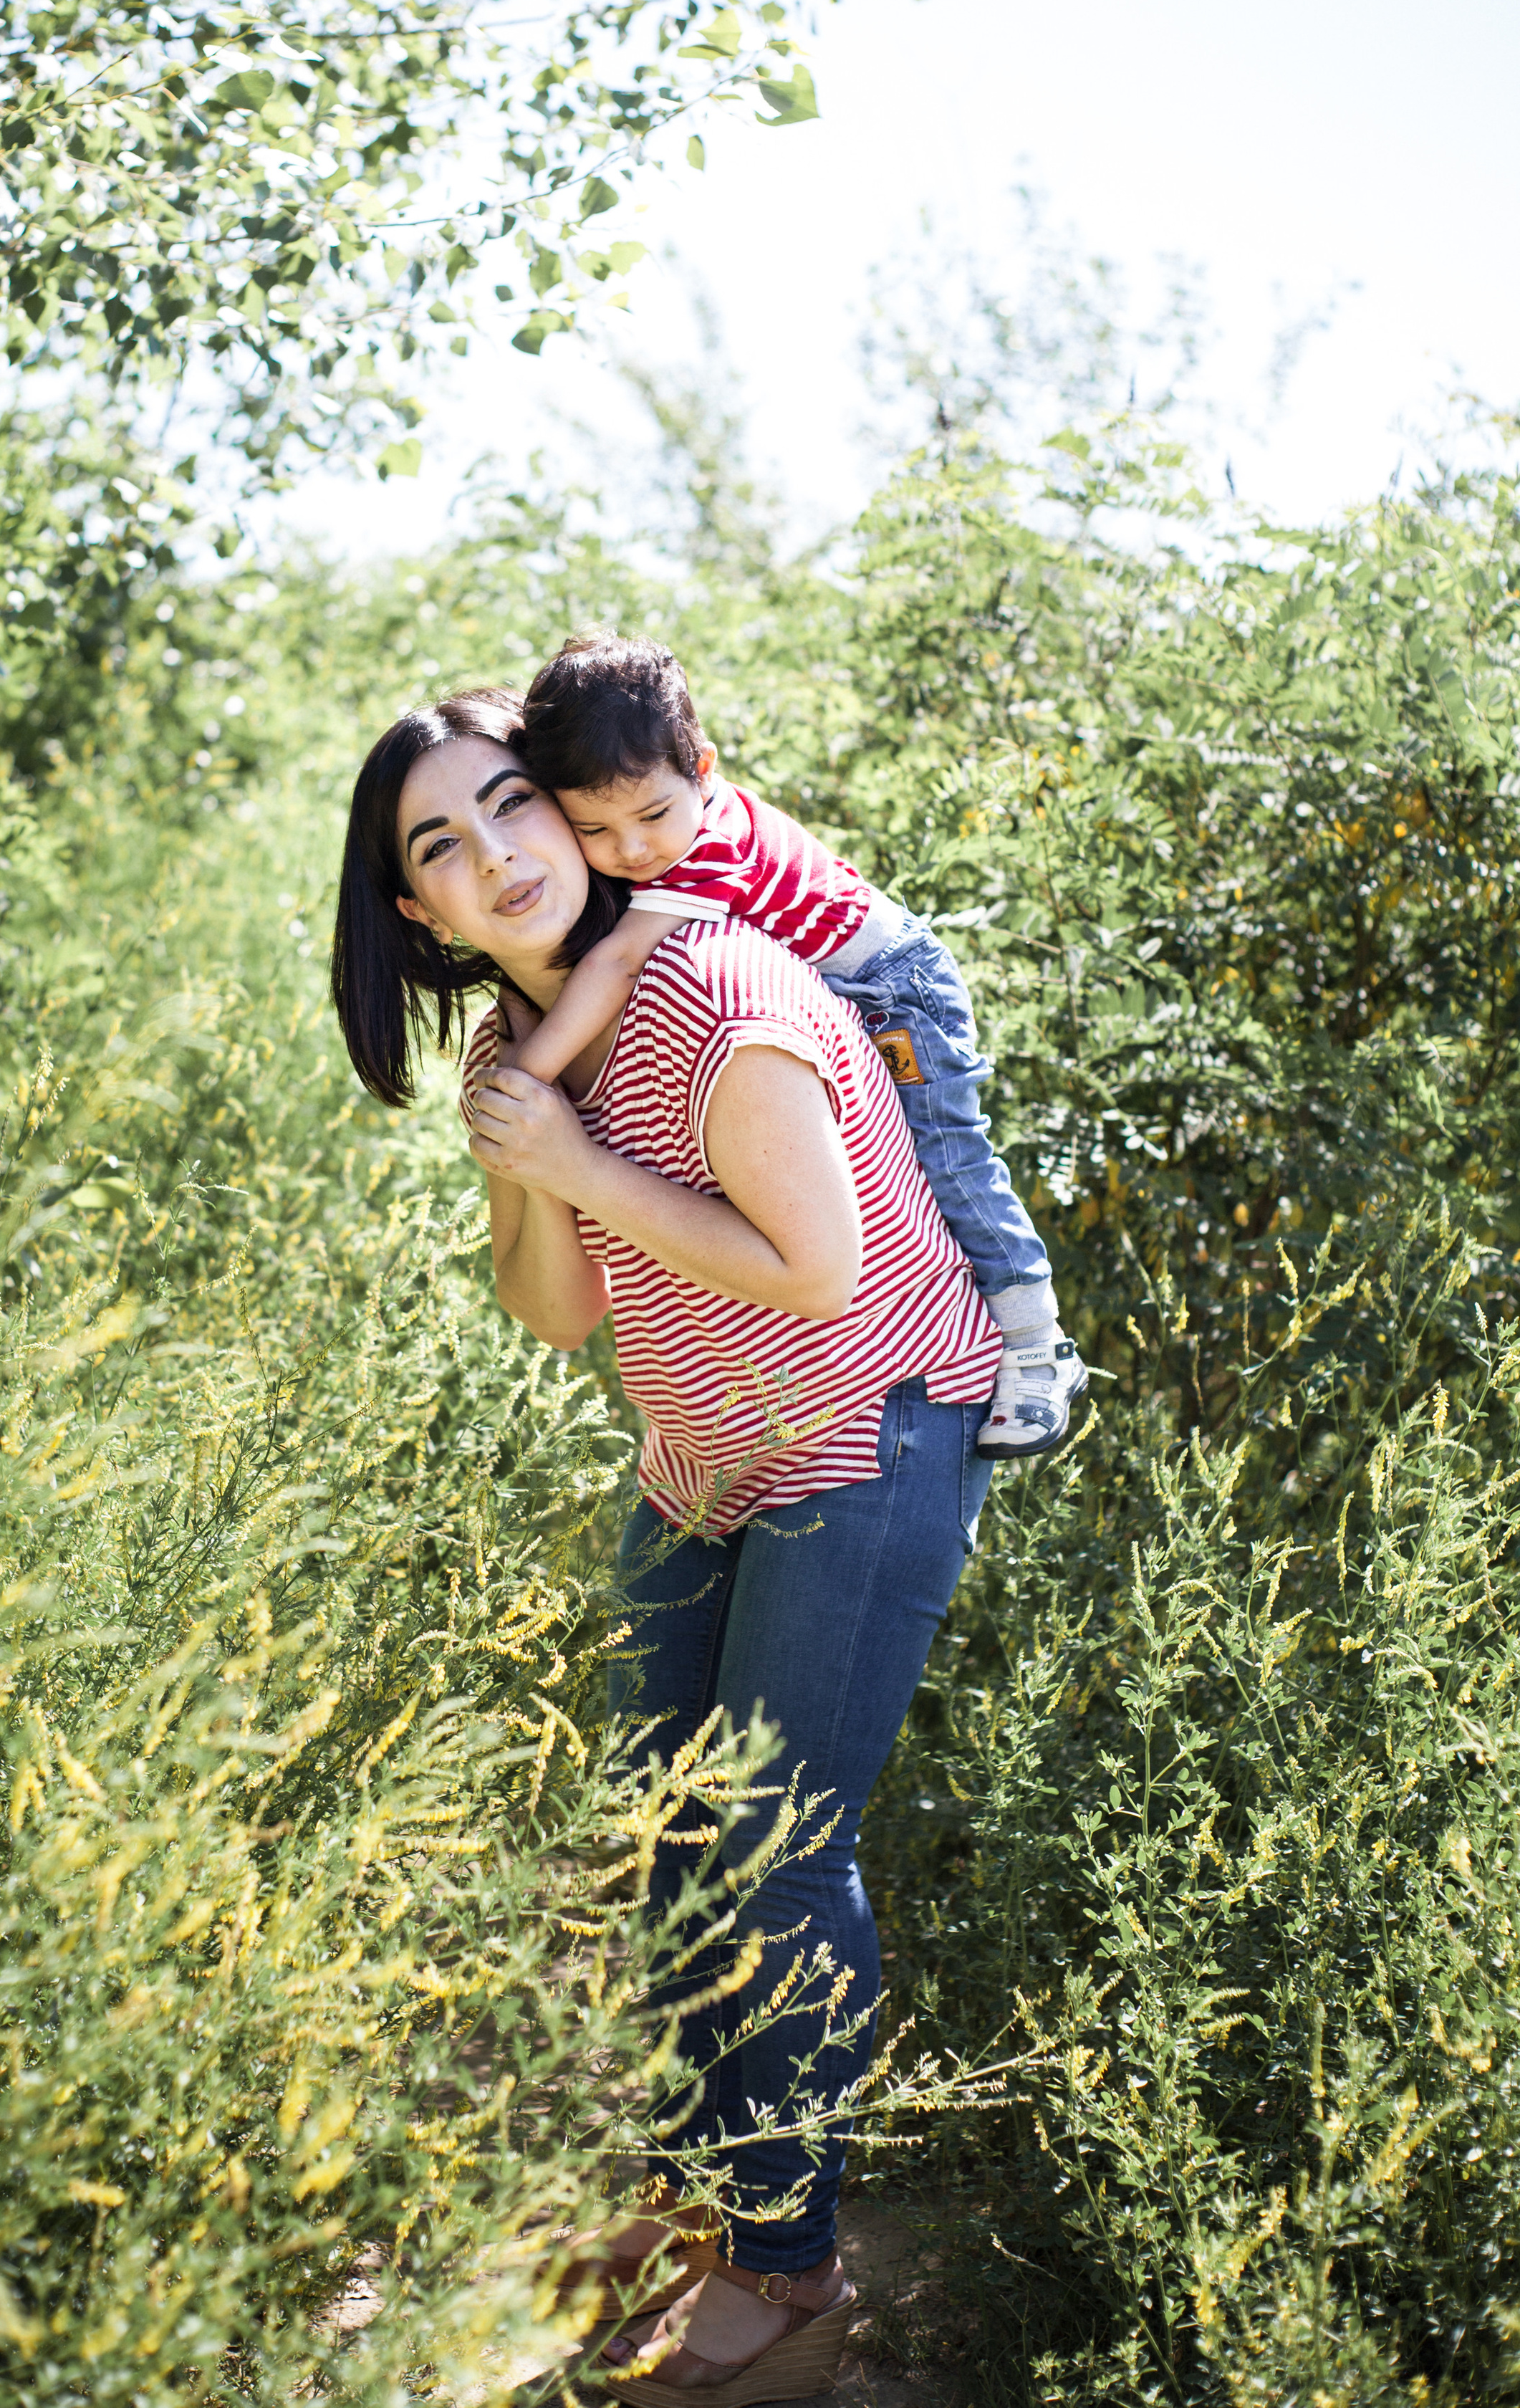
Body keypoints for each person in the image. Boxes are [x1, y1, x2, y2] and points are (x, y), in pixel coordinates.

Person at [331, 689, 1002, 2407]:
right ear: (419, 909)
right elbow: (559, 1315)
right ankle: (690, 2198)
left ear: (567, 814)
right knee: (664, 1837)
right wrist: (524, 1159)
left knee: (773, 1844)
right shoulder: (533, 1040)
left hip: (865, 1432)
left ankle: (785, 2271)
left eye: (507, 809)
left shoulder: (713, 984)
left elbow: (815, 1270)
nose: (493, 855)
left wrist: (567, 1149)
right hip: (702, 1456)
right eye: (440, 846)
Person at [502, 631, 1084, 1462]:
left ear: (703, 770)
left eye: (652, 815)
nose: (631, 851)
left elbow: (620, 961)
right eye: (593, 830)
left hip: (892, 988)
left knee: (949, 1156)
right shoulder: (664, 834)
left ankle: (1037, 1346)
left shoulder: (703, 847)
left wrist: (526, 1078)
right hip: (850, 990)